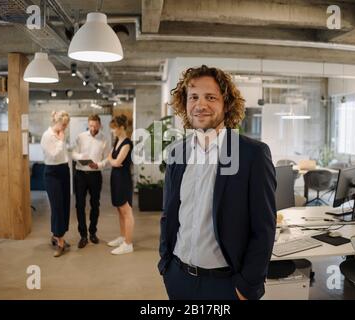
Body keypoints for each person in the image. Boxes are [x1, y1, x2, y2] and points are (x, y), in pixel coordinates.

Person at [158, 65, 277, 300]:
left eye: (210, 97)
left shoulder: (252, 155)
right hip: (178, 279)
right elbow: (169, 215)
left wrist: (246, 287)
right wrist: (166, 266)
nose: (200, 105)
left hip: (226, 286)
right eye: (193, 97)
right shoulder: (177, 154)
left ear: (226, 103)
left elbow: (264, 229)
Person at [72, 114, 110, 249]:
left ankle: (92, 232)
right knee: (79, 205)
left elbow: (107, 158)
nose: (93, 128)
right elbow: (73, 154)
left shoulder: (105, 139)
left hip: (95, 175)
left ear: (100, 125)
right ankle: (83, 235)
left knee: (95, 204)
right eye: (91, 125)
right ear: (88, 125)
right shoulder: (81, 137)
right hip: (80, 175)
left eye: (95, 125)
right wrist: (81, 156)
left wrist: (99, 165)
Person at [40, 110, 71, 258]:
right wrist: (60, 140)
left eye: (66, 125)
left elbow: (63, 155)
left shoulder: (60, 135)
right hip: (52, 173)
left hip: (64, 170)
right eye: (63, 125)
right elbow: (53, 155)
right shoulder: (48, 136)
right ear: (56, 122)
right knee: (57, 206)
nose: (64, 127)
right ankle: (60, 242)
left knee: (65, 205)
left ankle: (57, 235)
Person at [106, 115, 135, 255]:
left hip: (123, 179)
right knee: (119, 209)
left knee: (126, 211)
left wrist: (111, 159)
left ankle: (128, 244)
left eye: (114, 128)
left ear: (122, 127)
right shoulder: (118, 140)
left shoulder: (127, 143)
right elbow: (112, 158)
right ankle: (123, 237)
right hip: (115, 177)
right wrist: (112, 159)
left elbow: (116, 162)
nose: (112, 131)